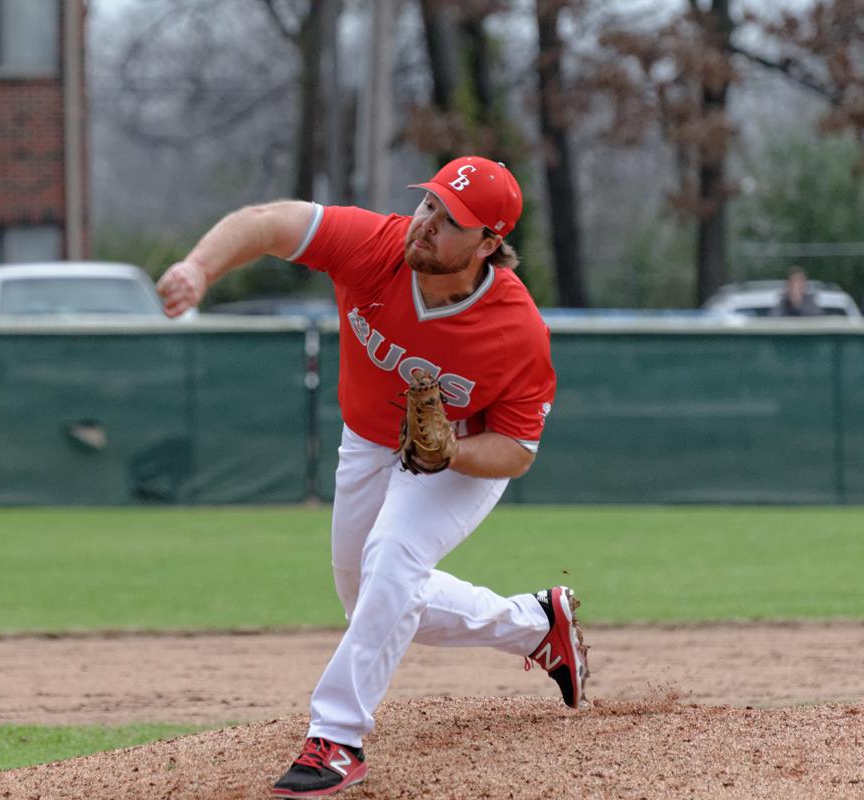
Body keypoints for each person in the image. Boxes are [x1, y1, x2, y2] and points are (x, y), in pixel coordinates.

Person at [155, 156, 583, 798]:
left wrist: (451, 455)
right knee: (370, 601)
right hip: (367, 441)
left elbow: (518, 449)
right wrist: (199, 267)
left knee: (394, 559)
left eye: (451, 220)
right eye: (430, 204)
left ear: (490, 243)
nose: (427, 223)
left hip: (460, 457)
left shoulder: (515, 331)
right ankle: (537, 624)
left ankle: (337, 738)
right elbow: (271, 222)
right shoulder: (375, 247)